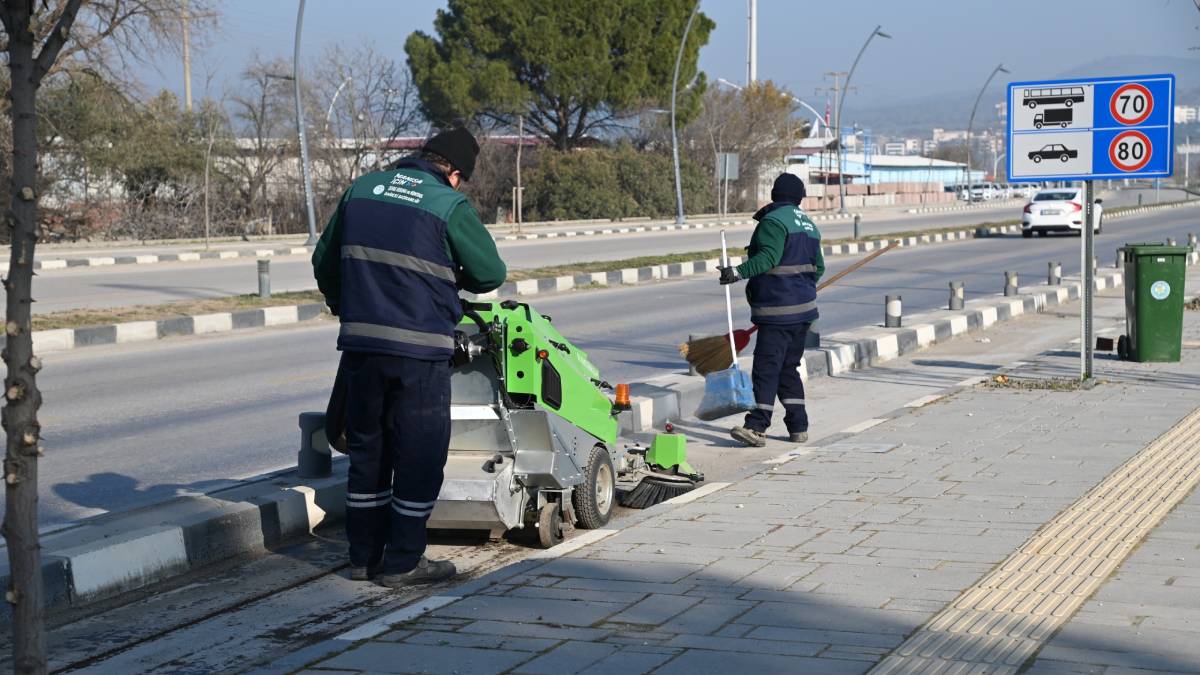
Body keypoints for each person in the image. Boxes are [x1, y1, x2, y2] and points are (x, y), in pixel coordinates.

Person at [312, 127, 507, 587]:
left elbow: (324, 262)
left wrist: (346, 306)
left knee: (369, 452)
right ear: (454, 173)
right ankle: (402, 563)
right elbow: (489, 274)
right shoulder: (447, 204)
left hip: (361, 349)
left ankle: (362, 558)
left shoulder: (362, 189)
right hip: (419, 353)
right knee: (419, 455)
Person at [718, 173, 824, 448]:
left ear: (775, 195)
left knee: (766, 369)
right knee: (788, 368)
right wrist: (801, 288)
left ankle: (757, 427)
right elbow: (819, 268)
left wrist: (736, 272)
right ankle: (798, 427)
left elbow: (768, 257)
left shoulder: (773, 222)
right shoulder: (809, 225)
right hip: (804, 313)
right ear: (799, 198)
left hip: (778, 312)